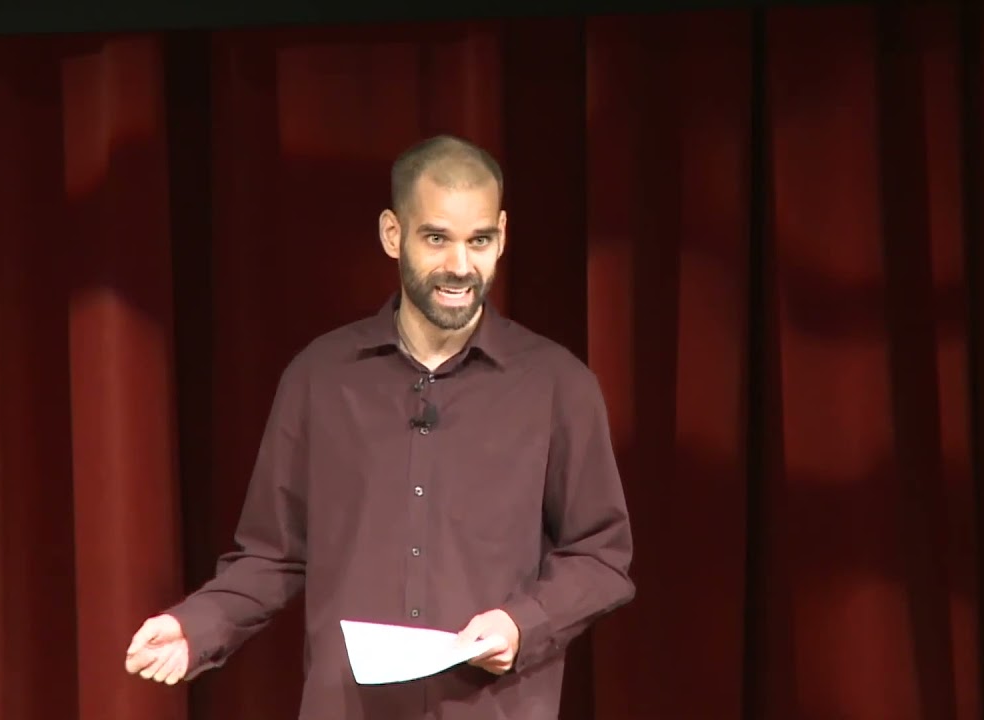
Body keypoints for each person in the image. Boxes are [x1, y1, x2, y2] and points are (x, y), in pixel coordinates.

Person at [124, 134, 635, 719]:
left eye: (480, 241)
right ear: (393, 235)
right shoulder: (319, 377)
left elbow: (601, 555)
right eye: (437, 239)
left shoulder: (556, 384)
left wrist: (522, 625)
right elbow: (273, 554)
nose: (460, 267)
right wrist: (197, 625)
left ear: (502, 236)